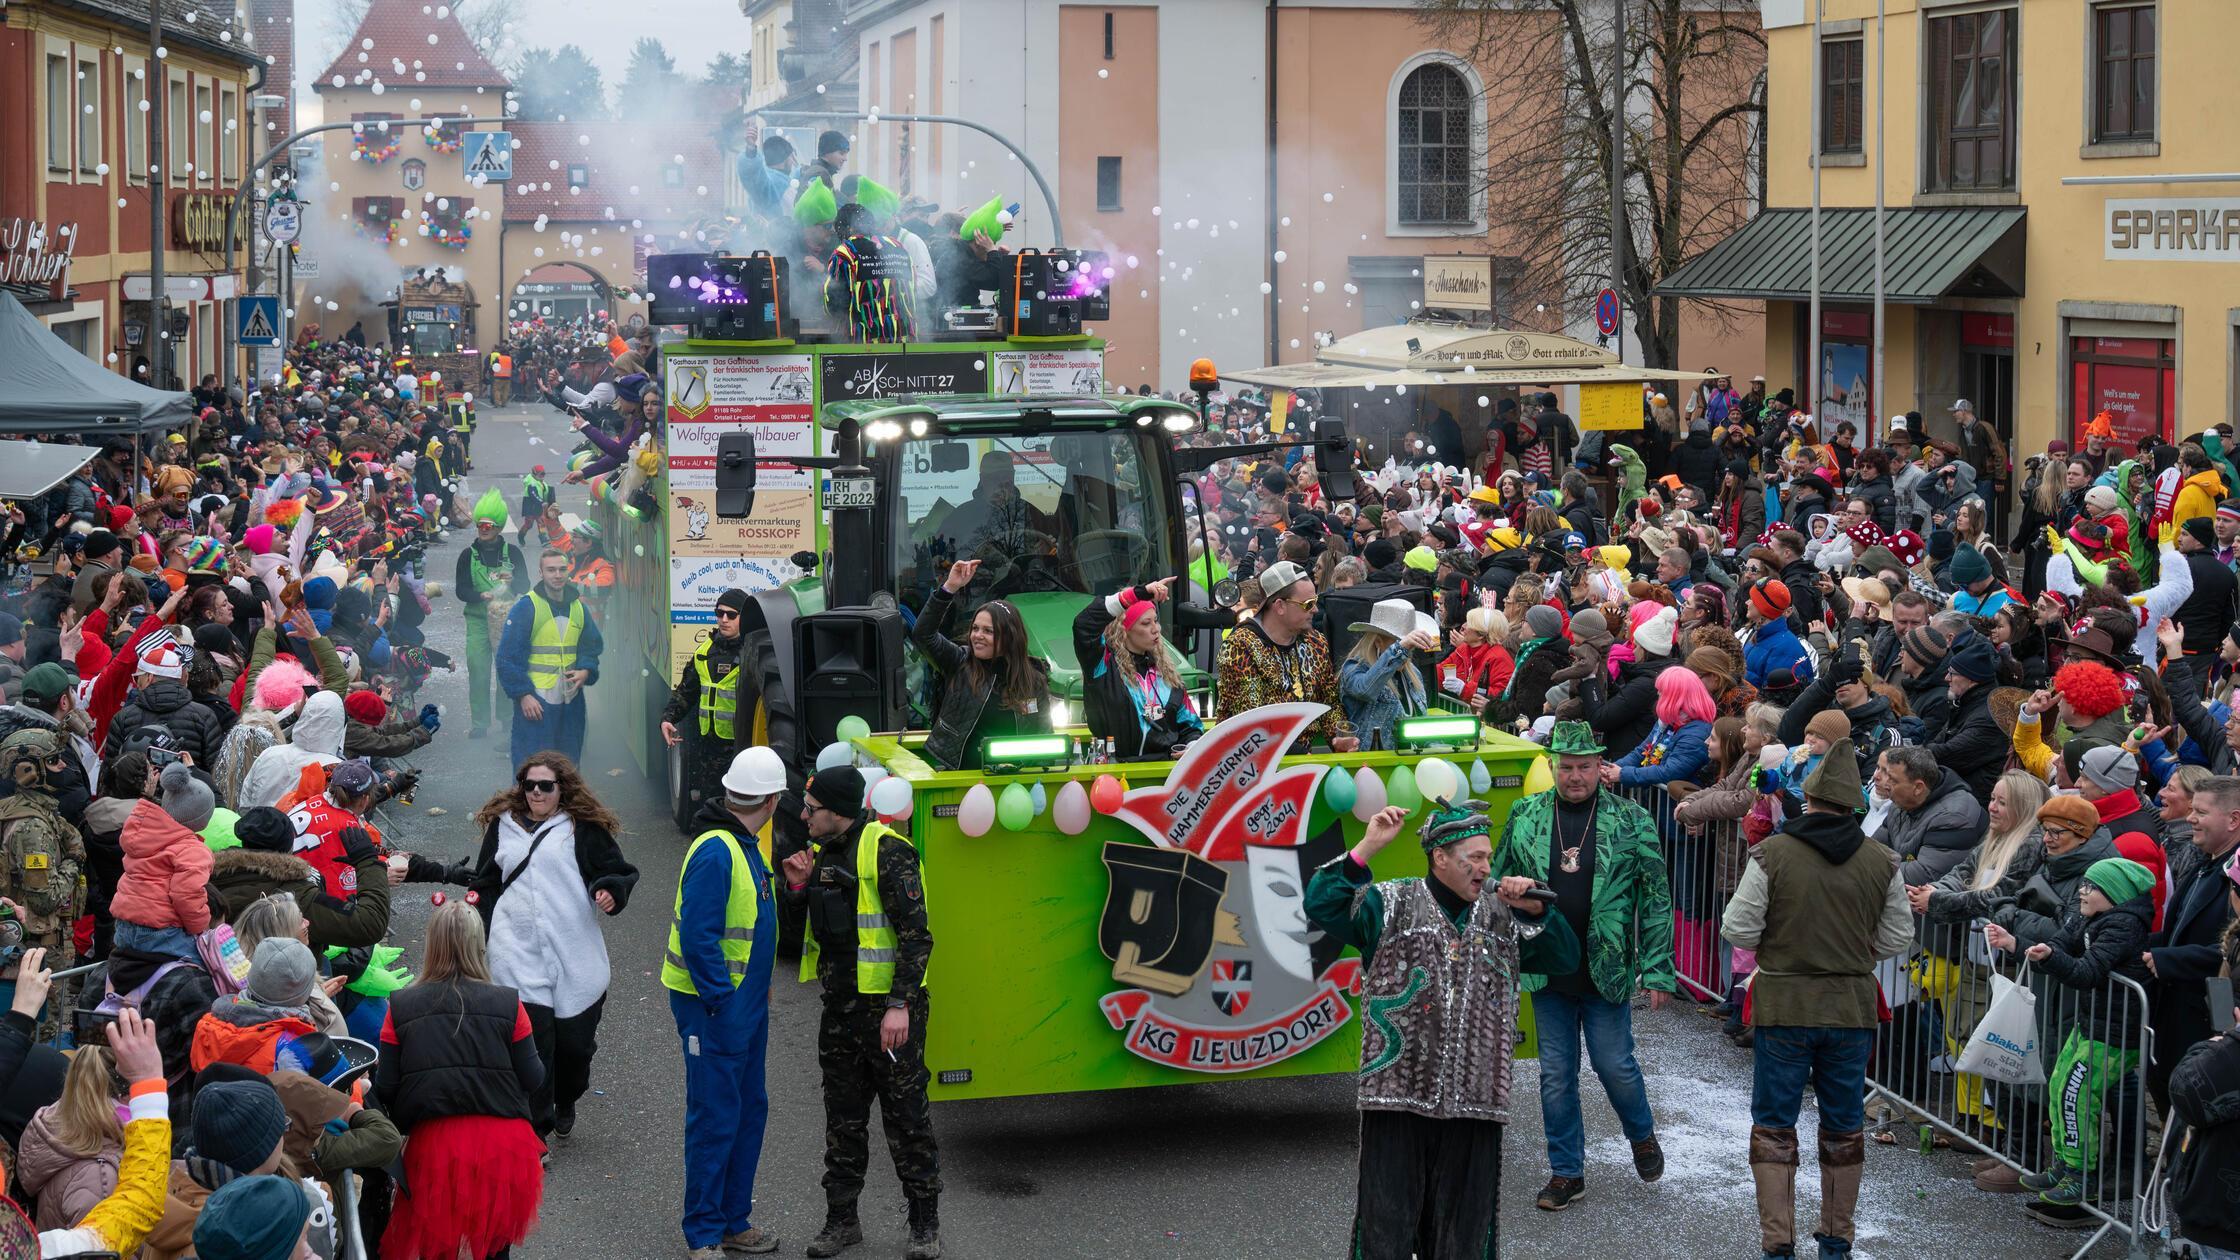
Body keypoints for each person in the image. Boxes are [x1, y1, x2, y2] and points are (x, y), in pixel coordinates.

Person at [1304, 799, 1577, 1259]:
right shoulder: (1389, 904)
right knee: (1385, 1230)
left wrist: (1535, 910)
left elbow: (1564, 958)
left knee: (1464, 1236)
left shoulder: (1503, 915)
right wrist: (1367, 848)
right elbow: (1320, 903)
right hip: (1396, 1096)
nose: (1485, 867)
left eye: (1488, 857)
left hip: (1476, 1101)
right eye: (1475, 857)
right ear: (1440, 857)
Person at [1721, 740, 1915, 1260]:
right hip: (1850, 1007)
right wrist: (1854, 951)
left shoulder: (1773, 853)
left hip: (1784, 1004)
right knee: (1844, 1126)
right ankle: (1836, 1244)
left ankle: (1778, 1246)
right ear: (1854, 805)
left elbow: (1738, 927)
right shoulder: (1882, 860)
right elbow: (1899, 936)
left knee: (1774, 1126)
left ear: (1808, 799)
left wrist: (1784, 947)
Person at [1490, 720, 1677, 1211]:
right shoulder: (1526, 813)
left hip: (1606, 967)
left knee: (1614, 1066)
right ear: (1553, 766)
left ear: (1600, 767)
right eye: (1566, 767)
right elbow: (1496, 877)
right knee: (1556, 1075)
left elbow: (1656, 899)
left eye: (1584, 767)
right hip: (1547, 966)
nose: (1574, 776)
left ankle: (1641, 1134)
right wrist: (1508, 888)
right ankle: (1566, 1172)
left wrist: (1658, 967)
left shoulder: (1632, 819)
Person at [778, 766, 942, 1260]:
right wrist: (797, 890)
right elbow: (805, 936)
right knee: (842, 1121)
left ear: (838, 811)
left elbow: (917, 937)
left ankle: (924, 1225)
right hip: (840, 1012)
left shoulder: (889, 852)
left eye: (812, 809)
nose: (804, 816)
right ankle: (841, 1221)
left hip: (887, 1016)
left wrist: (899, 1005)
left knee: (907, 1120)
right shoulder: (821, 853)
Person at [455, 752, 637, 1143]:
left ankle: (566, 1098)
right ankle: (536, 1134)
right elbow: (486, 884)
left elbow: (617, 871)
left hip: (574, 956)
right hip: (516, 954)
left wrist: (610, 890)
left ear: (562, 788)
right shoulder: (504, 826)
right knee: (534, 1048)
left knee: (575, 1050)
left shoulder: (581, 828)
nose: (536, 792)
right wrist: (475, 932)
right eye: (529, 785)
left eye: (545, 786)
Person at [665, 747, 789, 1259]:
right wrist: (722, 1002)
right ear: (773, 800)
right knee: (715, 1117)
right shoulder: (718, 850)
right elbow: (698, 939)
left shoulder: (739, 842)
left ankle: (734, 1220)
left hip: (740, 1005)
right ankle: (704, 1233)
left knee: (747, 1110)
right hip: (715, 1008)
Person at [375, 899, 546, 1260]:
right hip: (504, 1144)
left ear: (432, 944)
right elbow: (534, 1077)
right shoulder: (509, 1004)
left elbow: (386, 1086)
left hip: (435, 1145)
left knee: (437, 1246)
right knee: (494, 1245)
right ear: (478, 945)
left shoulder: (400, 1007)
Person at [1995, 858, 2155, 1212]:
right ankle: (2064, 1164)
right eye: (2083, 884)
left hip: (2115, 1034)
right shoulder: (2088, 915)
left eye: (2090, 887)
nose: (2082, 891)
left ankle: (2081, 1176)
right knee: (2059, 1085)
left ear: (2113, 894)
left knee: (2077, 1094)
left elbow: (2087, 972)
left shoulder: (2123, 925)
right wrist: (2016, 944)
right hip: (2091, 1023)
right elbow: (2057, 945)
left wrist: (2050, 957)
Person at [908, 558, 1051, 771]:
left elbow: (1044, 739)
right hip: (962, 777)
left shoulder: (1034, 680)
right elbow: (923, 634)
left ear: (1010, 637)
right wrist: (949, 588)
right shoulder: (959, 661)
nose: (977, 636)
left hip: (1015, 783)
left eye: (988, 631)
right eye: (975, 628)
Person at [1214, 561, 1359, 752]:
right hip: (1249, 761)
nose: (1315, 610)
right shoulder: (1241, 646)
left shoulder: (1315, 642)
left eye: (1315, 601)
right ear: (1280, 606)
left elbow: (1329, 702)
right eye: (1308, 604)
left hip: (1302, 757)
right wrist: (1301, 755)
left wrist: (1338, 737)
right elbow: (1253, 725)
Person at [0, 729, 85, 1020]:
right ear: (28, 770)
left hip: (24, 948)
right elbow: (45, 898)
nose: (63, 766)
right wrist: (74, 859)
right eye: (53, 761)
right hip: (35, 950)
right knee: (43, 1028)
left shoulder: (20, 810)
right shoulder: (32, 827)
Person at [1071, 576, 1204, 760]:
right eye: (1146, 623)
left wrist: (1192, 746)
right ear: (1124, 630)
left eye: (1155, 621)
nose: (1156, 629)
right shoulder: (1103, 665)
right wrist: (1137, 593)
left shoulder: (1167, 674)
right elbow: (1084, 624)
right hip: (1116, 770)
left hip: (1165, 771)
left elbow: (1191, 728)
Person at [496, 549, 603, 766]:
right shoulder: (526, 607)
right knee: (533, 768)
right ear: (541, 573)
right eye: (551, 570)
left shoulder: (579, 608)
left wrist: (586, 670)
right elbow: (507, 658)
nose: (557, 575)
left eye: (562, 569)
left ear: (568, 571)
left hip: (571, 704)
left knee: (568, 769)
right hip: (536, 704)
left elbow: (591, 646)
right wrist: (523, 695)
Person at [662, 589, 752, 806]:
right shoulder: (704, 652)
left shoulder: (753, 653)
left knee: (741, 806)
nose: (724, 619)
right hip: (710, 750)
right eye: (719, 613)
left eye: (731, 615)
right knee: (711, 806)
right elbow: (686, 691)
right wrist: (668, 718)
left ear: (744, 617)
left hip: (743, 748)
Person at [455, 490, 529, 740]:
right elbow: (461, 590)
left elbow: (525, 585)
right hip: (477, 620)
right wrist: (480, 596)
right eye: (480, 525)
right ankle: (480, 722)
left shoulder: (513, 553)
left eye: (488, 525)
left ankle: (507, 718)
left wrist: (512, 580)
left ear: (498, 527)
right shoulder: (468, 555)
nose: (483, 529)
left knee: (505, 669)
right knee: (478, 669)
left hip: (506, 620)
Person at [1338, 599, 1439, 752]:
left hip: (1414, 759)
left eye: (1411, 643)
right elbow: (1365, 690)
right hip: (1372, 762)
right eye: (1400, 642)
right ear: (1378, 642)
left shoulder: (1413, 673)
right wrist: (1399, 649)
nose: (1407, 650)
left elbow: (1422, 724)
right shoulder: (1354, 668)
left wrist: (1436, 746)